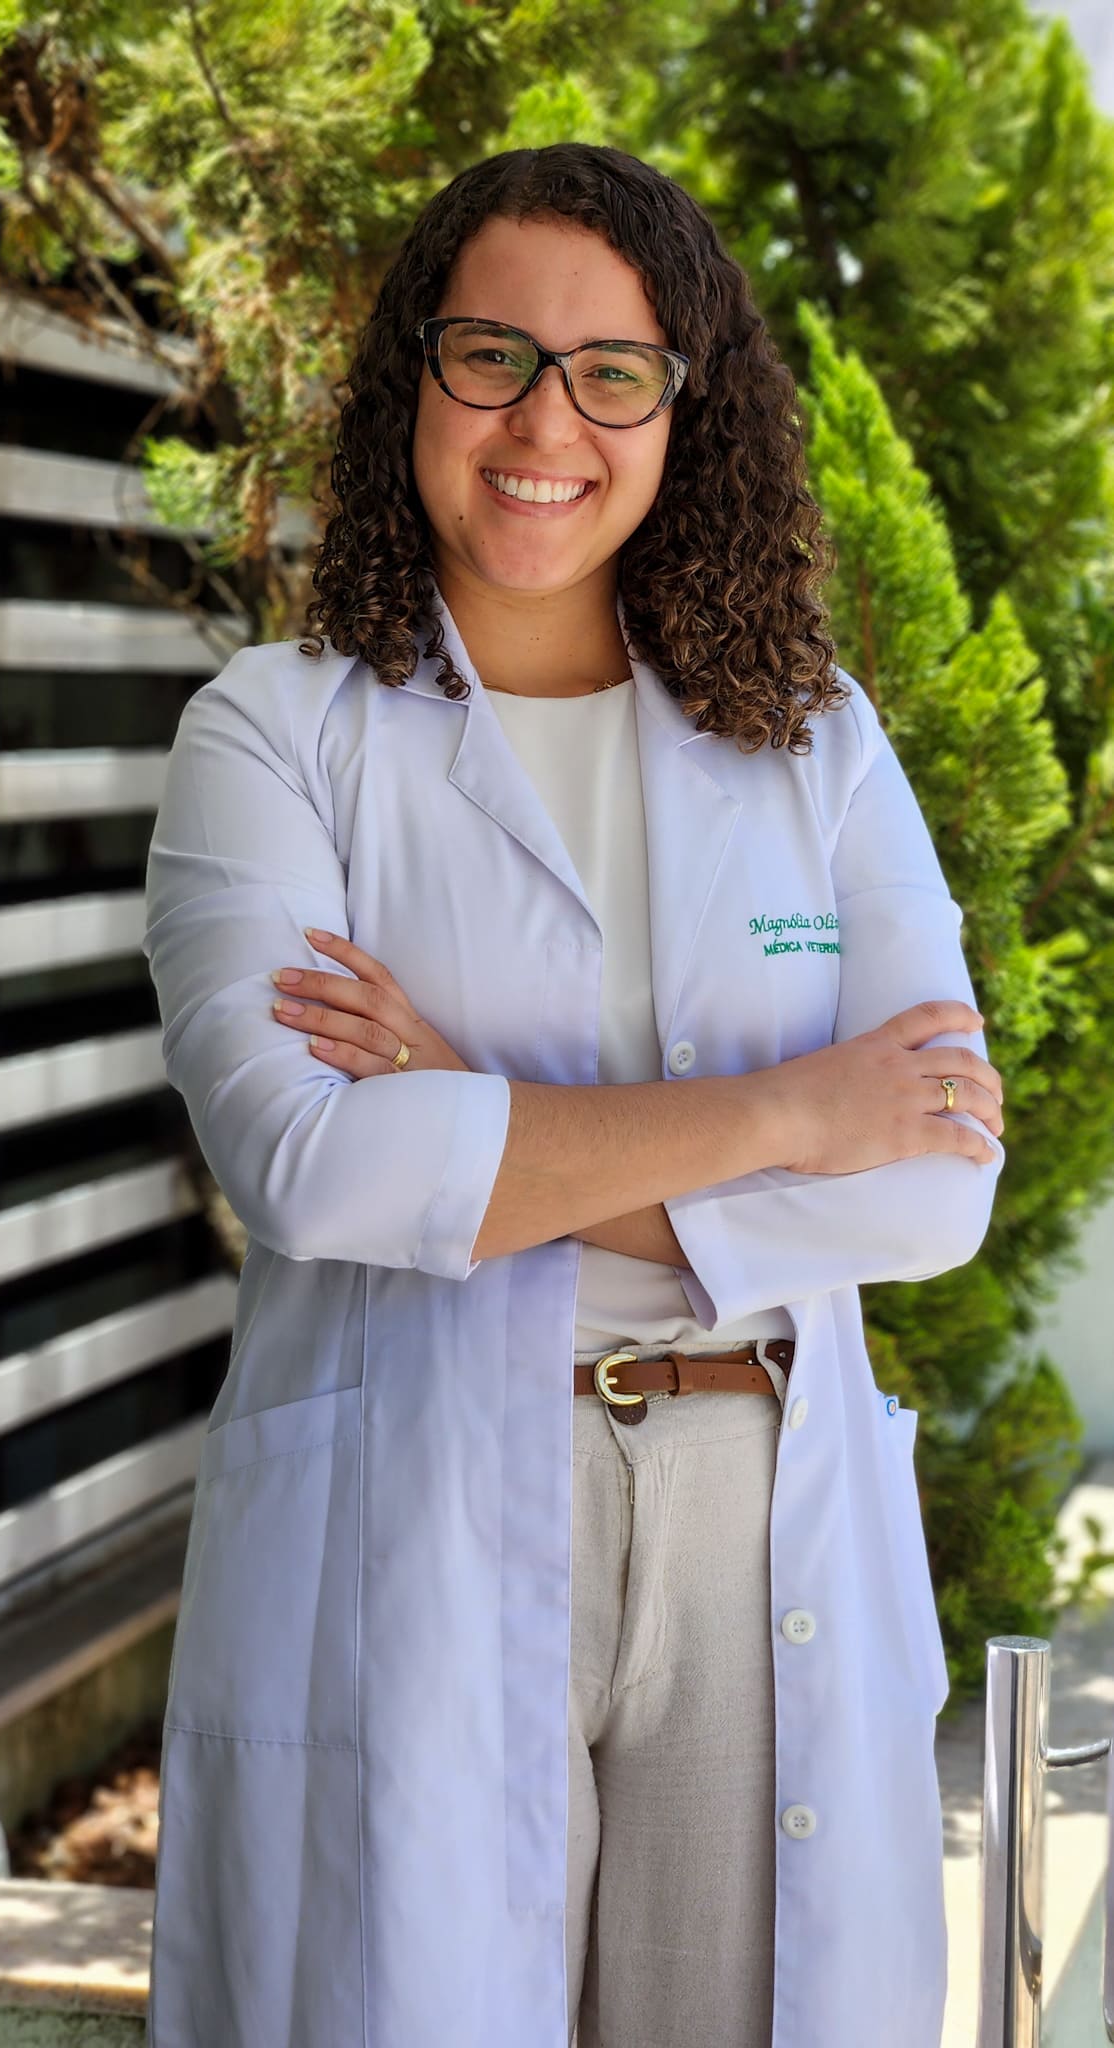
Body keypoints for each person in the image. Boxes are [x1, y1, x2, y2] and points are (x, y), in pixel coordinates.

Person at [142, 143, 1005, 2048]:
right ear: (414, 380)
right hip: (427, 1505)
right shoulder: (273, 733)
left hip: (754, 1504)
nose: (547, 423)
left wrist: (475, 1111)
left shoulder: (815, 744)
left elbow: (936, 1184)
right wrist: (789, 1115)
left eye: (613, 372)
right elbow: (314, 1165)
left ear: (687, 412)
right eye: (492, 357)